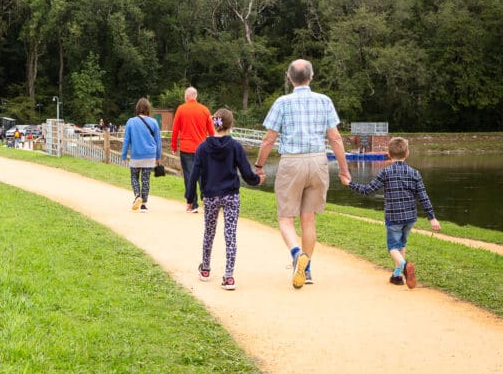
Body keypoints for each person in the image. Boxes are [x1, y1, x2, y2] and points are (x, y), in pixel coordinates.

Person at [254, 59, 351, 289]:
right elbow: (335, 138)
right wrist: (344, 170)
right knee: (308, 218)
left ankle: (297, 254)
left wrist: (259, 166)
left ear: (289, 77)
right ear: (312, 76)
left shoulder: (282, 103)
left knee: (286, 218)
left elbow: (269, 139)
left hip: (292, 163)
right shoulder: (324, 101)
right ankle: (306, 270)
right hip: (318, 161)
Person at [347, 137, 441, 288]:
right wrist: (432, 218)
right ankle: (397, 276)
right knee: (402, 244)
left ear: (389, 154)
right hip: (410, 217)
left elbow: (368, 190)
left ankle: (404, 266)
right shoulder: (414, 173)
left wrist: (350, 183)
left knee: (392, 247)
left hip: (393, 217)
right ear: (407, 153)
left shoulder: (386, 172)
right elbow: (423, 196)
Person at [186, 109, 262, 290]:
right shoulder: (235, 147)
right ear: (230, 125)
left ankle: (205, 268)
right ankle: (229, 276)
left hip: (211, 195)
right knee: (230, 234)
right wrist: (257, 179)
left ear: (214, 123)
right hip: (231, 195)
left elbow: (194, 174)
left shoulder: (203, 148)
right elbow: (245, 172)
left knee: (209, 232)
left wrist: (190, 197)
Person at [171, 87, 216, 213]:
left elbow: (175, 130)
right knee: (203, 175)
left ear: (186, 97)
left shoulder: (181, 109)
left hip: (186, 149)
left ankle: (192, 204)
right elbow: (212, 131)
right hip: (202, 149)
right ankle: (207, 200)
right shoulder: (205, 110)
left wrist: (174, 146)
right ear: (196, 96)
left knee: (189, 176)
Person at [120, 97, 162, 212]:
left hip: (136, 154)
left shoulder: (131, 121)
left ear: (137, 108)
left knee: (134, 176)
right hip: (150, 154)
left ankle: (137, 195)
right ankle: (143, 204)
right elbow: (158, 141)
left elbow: (126, 140)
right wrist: (158, 156)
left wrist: (123, 155)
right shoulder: (153, 122)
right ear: (148, 109)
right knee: (146, 179)